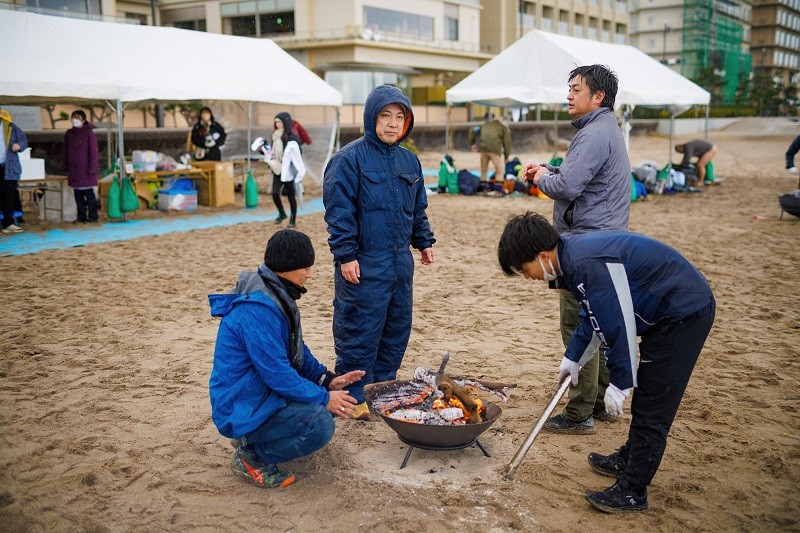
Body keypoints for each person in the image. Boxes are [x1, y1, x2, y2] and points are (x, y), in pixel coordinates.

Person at [498, 211, 715, 513]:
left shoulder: (586, 262)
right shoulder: (571, 260)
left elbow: (619, 323)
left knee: (652, 404)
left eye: (525, 268)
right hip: (661, 312)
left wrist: (621, 381)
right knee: (646, 400)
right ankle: (629, 457)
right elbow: (592, 315)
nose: (528, 277)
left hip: (682, 313)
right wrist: (573, 358)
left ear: (542, 255)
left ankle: (633, 491)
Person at [208, 229, 365, 488]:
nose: (310, 273)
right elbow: (276, 373)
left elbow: (296, 348)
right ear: (287, 267)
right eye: (305, 267)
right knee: (320, 424)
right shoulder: (257, 309)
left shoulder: (274, 294)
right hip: (241, 405)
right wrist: (323, 397)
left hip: (258, 395)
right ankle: (251, 456)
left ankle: (254, 437)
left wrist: (326, 380)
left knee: (332, 402)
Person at [523, 64, 631, 435]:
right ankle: (597, 402)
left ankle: (578, 412)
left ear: (598, 96)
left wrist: (540, 177)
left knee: (577, 325)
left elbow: (567, 187)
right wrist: (549, 168)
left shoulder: (594, 133)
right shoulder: (602, 130)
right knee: (596, 325)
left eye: (575, 89)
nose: (568, 95)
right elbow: (579, 177)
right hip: (603, 241)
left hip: (586, 245)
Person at [323, 84, 436, 420]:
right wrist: (345, 255)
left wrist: (424, 242)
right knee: (359, 332)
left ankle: (382, 392)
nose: (392, 123)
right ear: (371, 117)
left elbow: (417, 209)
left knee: (395, 328)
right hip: (363, 262)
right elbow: (338, 212)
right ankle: (354, 398)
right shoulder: (347, 160)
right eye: (385, 116)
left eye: (399, 117)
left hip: (400, 262)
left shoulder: (409, 161)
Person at [266, 112, 305, 228]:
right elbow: (272, 151)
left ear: (285, 122)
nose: (277, 124)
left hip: (288, 170)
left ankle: (293, 218)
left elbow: (298, 153)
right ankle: (282, 213)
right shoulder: (275, 136)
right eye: (276, 122)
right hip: (277, 168)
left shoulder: (291, 137)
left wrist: (290, 159)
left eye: (279, 122)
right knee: (274, 193)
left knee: (291, 195)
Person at [63, 110, 100, 223]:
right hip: (74, 170)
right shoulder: (69, 133)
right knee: (78, 195)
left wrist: (92, 168)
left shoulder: (89, 133)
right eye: (73, 117)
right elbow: (65, 150)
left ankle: (93, 216)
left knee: (89, 195)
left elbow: (93, 153)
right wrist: (65, 165)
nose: (74, 120)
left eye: (77, 118)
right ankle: (81, 216)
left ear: (83, 120)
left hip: (86, 171)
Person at [0, 107, 28, 234]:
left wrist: (19, 146)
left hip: (9, 167)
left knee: (9, 197)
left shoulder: (11, 126)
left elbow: (23, 140)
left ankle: (8, 223)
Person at [469, 113, 512, 185]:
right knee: (499, 171)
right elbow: (507, 143)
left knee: (483, 170)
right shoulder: (503, 127)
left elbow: (472, 130)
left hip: (483, 149)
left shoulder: (484, 125)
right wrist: (506, 156)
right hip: (494, 150)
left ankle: (483, 190)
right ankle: (498, 191)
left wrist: (472, 143)